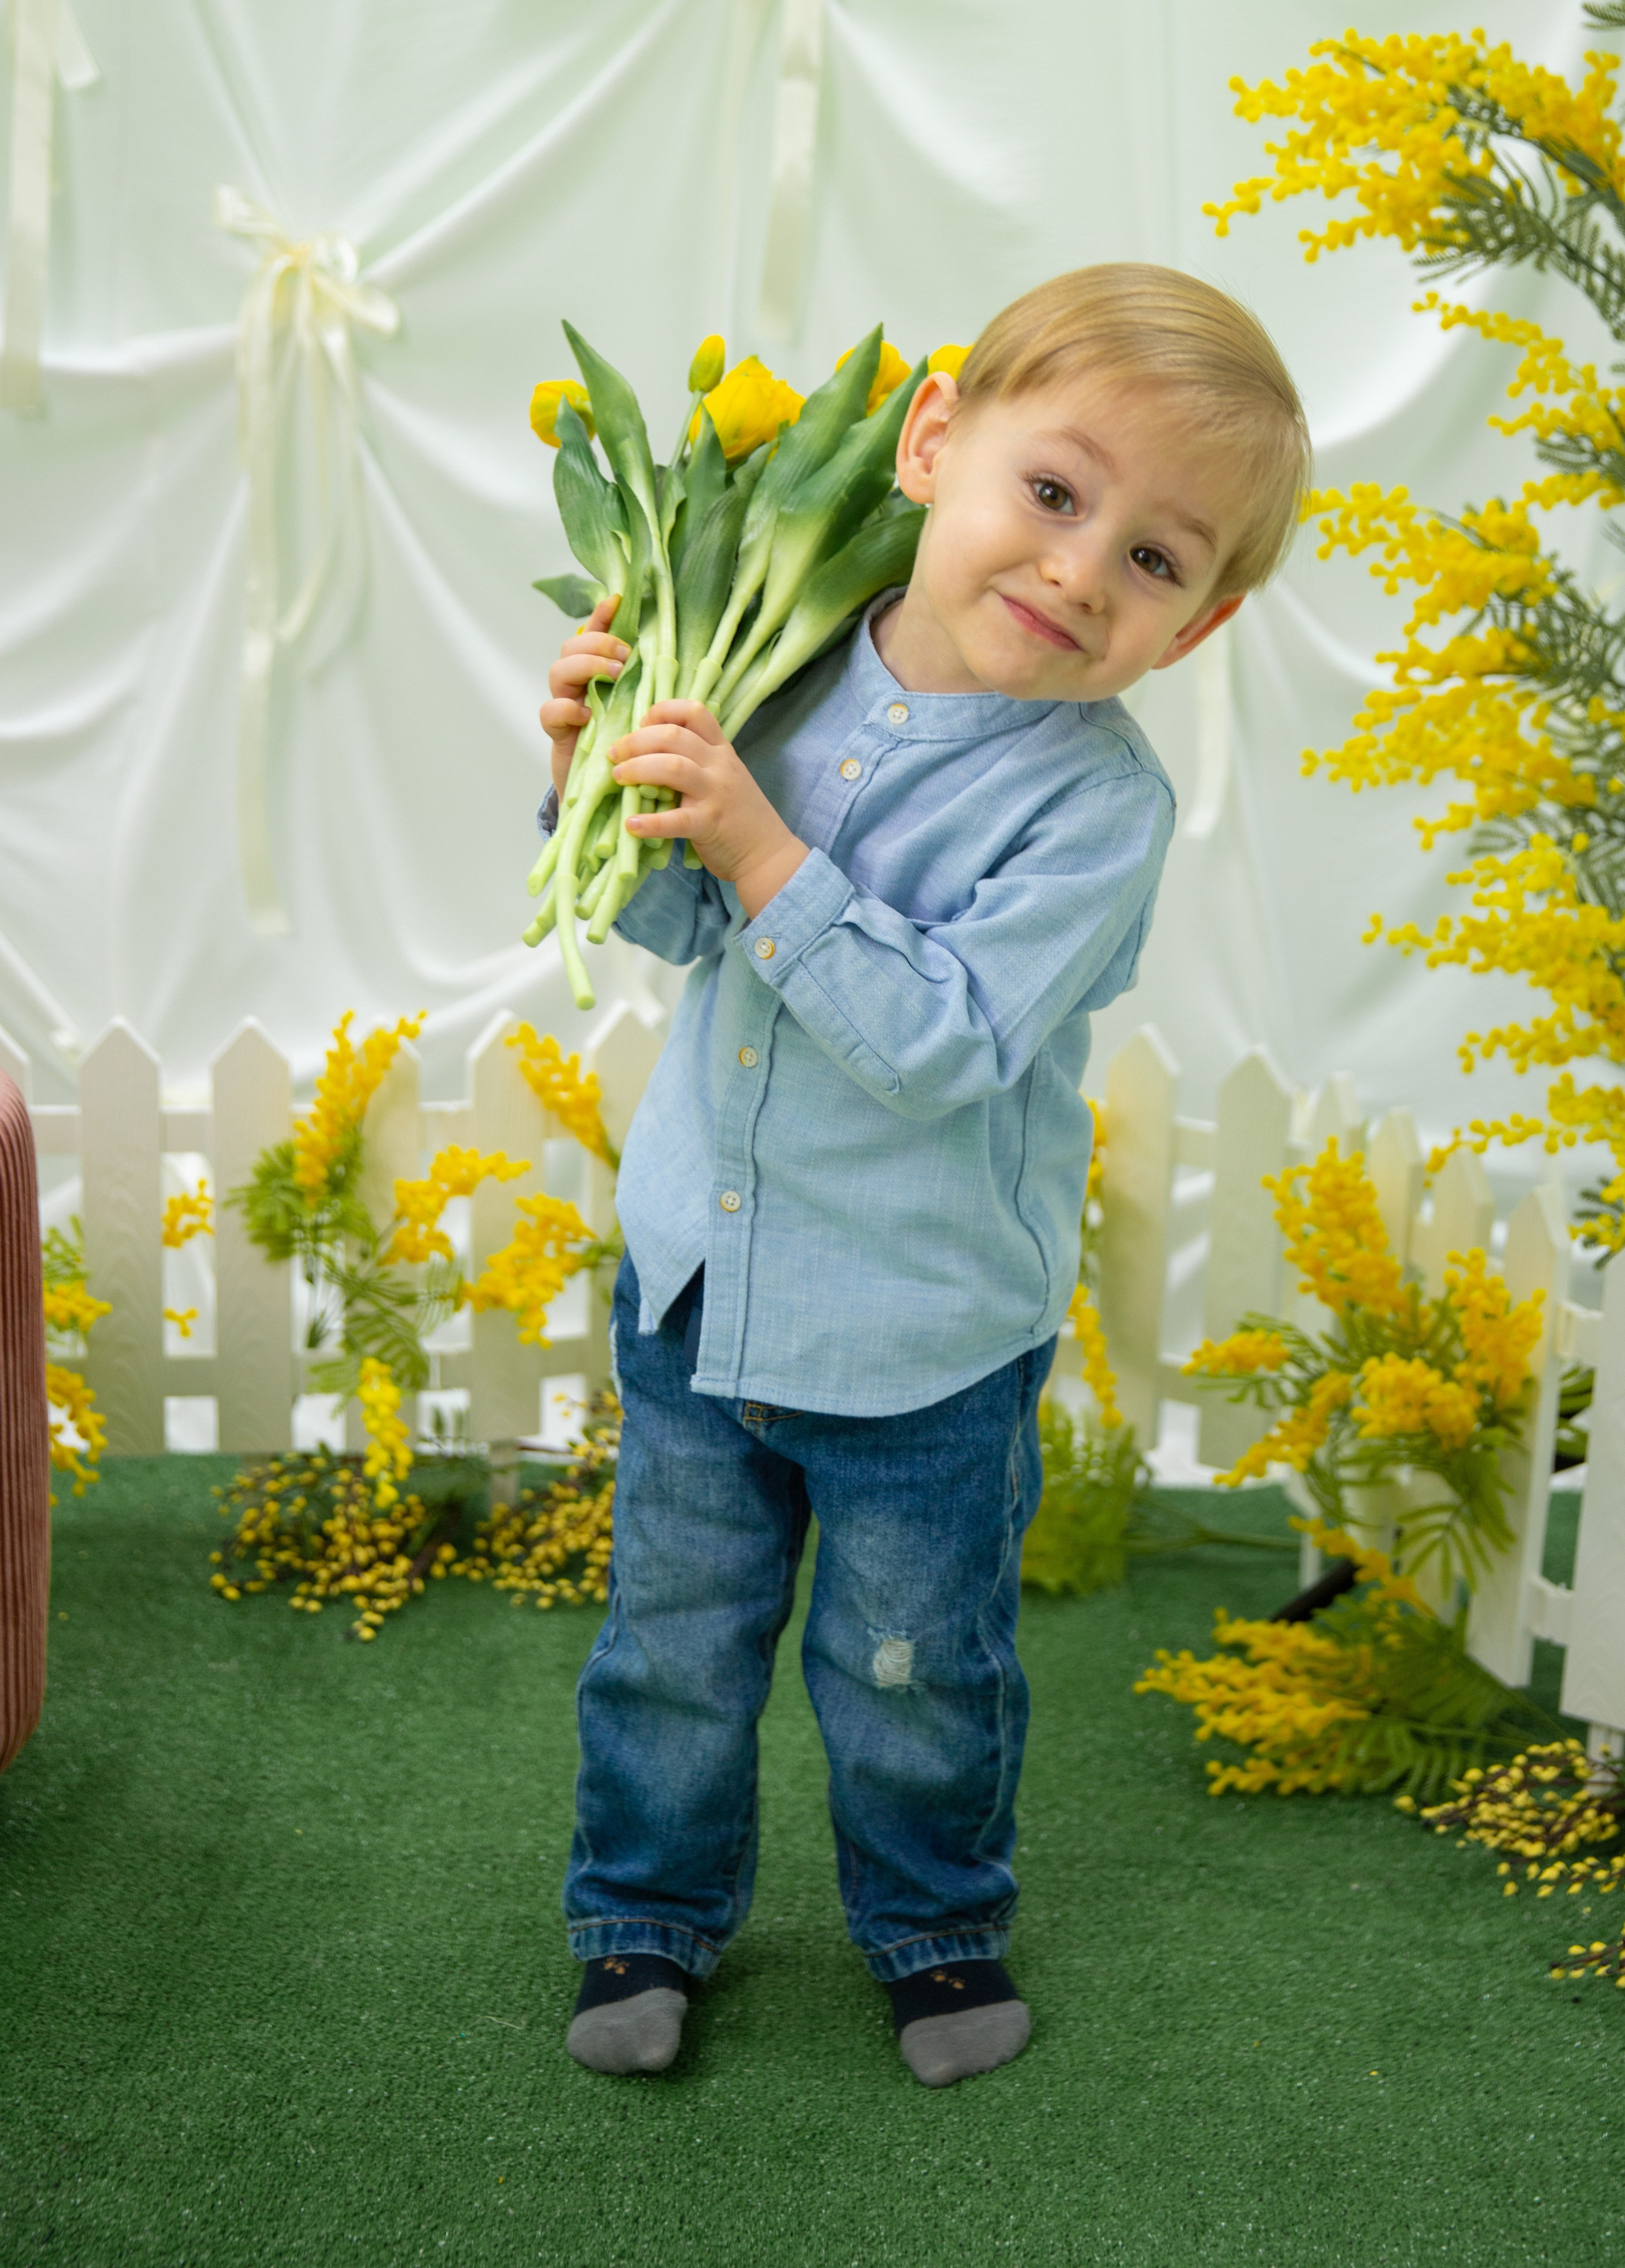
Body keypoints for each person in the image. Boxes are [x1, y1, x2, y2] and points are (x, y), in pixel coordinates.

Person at [536, 265, 1310, 2087]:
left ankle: (935, 1932)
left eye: (1153, 561)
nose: (1075, 570)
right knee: (669, 1646)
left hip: (921, 1342)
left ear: (1193, 631)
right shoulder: (777, 641)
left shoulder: (1096, 805)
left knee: (911, 1671)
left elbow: (948, 1041)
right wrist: (599, 759)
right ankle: (641, 1917)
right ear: (936, 439)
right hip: (701, 1296)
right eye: (1056, 494)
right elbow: (666, 915)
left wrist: (766, 845)